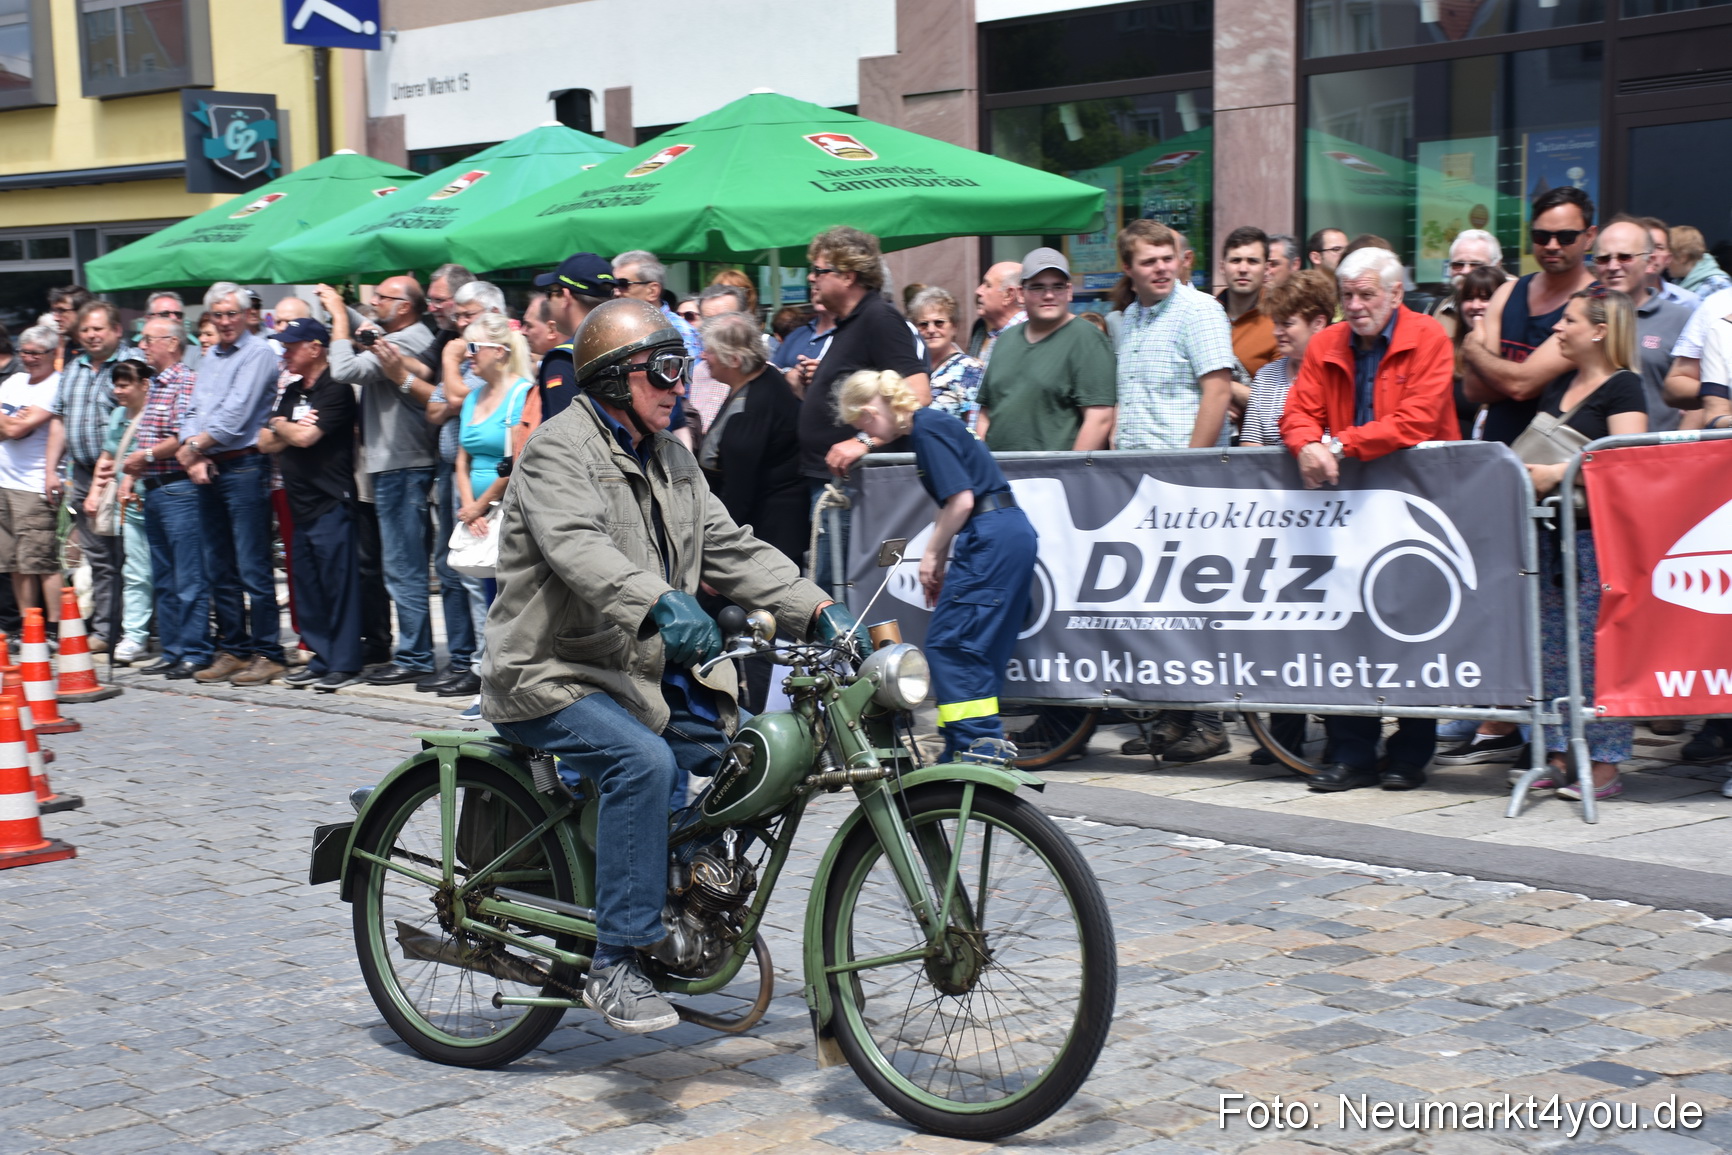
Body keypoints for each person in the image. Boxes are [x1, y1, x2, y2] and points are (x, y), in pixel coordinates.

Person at [480, 295, 850, 1032]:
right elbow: (580, 548)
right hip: (550, 671)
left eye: (683, 370)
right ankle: (616, 959)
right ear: (618, 377)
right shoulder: (559, 449)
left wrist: (820, 608)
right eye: (666, 371)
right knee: (643, 763)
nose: (680, 386)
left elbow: (733, 548)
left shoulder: (675, 458)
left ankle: (684, 886)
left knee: (748, 754)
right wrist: (658, 602)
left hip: (634, 671)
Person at [1281, 247, 1457, 792]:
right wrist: (1307, 444)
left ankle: (1410, 751)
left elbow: (1416, 421)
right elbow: (1297, 411)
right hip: (1345, 505)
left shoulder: (1429, 337)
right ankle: (1352, 752)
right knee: (1342, 623)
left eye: (1366, 295)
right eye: (1347, 296)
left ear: (1396, 294)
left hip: (1418, 499)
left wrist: (1336, 442)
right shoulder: (1328, 343)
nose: (1354, 306)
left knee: (1416, 623)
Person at [841, 368, 1037, 760]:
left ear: (868, 409)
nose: (868, 432)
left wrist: (931, 553)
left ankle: (975, 748)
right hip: (1003, 531)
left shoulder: (926, 429)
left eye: (862, 422)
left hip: (989, 534)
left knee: (952, 647)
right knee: (974, 649)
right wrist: (943, 556)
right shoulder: (933, 425)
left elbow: (961, 500)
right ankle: (970, 745)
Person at [1524, 288, 1647, 802]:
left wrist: (1557, 473)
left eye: (1567, 320)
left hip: (1597, 543)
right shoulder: (1563, 385)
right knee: (1552, 651)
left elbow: (1629, 465)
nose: (1557, 328)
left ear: (1599, 330)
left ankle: (1604, 764)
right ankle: (1558, 754)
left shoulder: (1624, 389)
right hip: (1551, 542)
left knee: (1598, 653)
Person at [318, 276, 439, 686]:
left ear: (403, 306)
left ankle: (416, 656)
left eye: (382, 297)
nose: (372, 301)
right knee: (395, 565)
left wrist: (336, 315)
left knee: (403, 567)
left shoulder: (409, 341)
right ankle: (412, 652)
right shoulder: (399, 332)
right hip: (393, 465)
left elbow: (343, 368)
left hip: (403, 466)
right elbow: (363, 328)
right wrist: (338, 304)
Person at [796, 226, 930, 593]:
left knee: (839, 592)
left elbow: (917, 394)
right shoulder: (852, 323)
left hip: (855, 484)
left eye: (820, 270)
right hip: (835, 481)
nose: (812, 277)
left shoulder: (879, 318)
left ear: (847, 275)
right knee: (828, 588)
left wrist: (865, 442)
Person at [172, 283, 287, 686]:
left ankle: (268, 651)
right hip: (210, 464)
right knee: (218, 565)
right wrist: (194, 451)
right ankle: (234, 648)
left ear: (245, 315)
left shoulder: (257, 353)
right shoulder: (211, 356)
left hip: (242, 466)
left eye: (230, 314)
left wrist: (193, 448)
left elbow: (236, 417)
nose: (223, 322)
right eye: (217, 315)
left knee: (252, 566)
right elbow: (192, 409)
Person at [259, 319, 363, 693]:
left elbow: (304, 437)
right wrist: (283, 424)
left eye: (291, 345)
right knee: (307, 587)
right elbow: (264, 441)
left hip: (330, 500)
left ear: (315, 347)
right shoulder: (291, 390)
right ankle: (321, 657)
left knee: (339, 587)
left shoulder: (335, 388)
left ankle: (345, 661)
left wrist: (283, 427)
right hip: (299, 503)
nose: (284, 351)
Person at [1463, 187, 1599, 444]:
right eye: (1541, 236)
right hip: (1499, 453)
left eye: (1566, 237)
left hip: (1555, 464)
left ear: (1589, 236)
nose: (1552, 245)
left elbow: (1520, 386)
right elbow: (1473, 389)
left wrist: (1474, 350)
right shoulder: (1507, 291)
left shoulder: (1596, 303)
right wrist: (1515, 377)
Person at [423, 279, 507, 694]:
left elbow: (455, 396)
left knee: (489, 581)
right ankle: (471, 660)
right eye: (457, 316)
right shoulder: (471, 362)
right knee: (460, 572)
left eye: (467, 316)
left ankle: (484, 667)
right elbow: (436, 408)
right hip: (461, 482)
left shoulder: (483, 360)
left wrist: (449, 357)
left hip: (495, 495)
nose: (459, 325)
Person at [44, 300, 141, 650]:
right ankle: (105, 630)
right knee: (100, 557)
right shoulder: (74, 368)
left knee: (132, 558)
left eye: (98, 328)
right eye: (85, 329)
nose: (91, 335)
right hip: (83, 474)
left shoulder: (132, 366)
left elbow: (139, 423)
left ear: (116, 329)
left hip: (123, 475)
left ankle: (137, 631)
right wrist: (51, 470)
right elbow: (59, 421)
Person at [449, 314, 536, 698]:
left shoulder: (522, 393)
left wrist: (482, 505)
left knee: (511, 603)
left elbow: (519, 457)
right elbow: (461, 459)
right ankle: (491, 678)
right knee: (485, 601)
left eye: (473, 348)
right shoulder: (472, 397)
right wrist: (469, 507)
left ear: (499, 353)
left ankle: (511, 682)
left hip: (509, 512)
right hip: (477, 515)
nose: (468, 356)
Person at [1114, 219, 1237, 454]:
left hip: (1179, 470)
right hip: (1132, 464)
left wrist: (1189, 463)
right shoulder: (1131, 314)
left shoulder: (1199, 309)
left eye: (1168, 259)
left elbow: (1219, 392)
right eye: (1149, 262)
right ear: (1128, 268)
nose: (1161, 268)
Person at [126, 317, 206, 678]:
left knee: (187, 576)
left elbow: (180, 437)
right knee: (164, 576)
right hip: (156, 489)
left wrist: (144, 458)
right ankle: (173, 648)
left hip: (178, 488)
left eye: (149, 340)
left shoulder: (184, 381)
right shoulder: (156, 383)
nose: (143, 346)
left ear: (172, 343)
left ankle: (195, 649)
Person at [975, 248, 1115, 452]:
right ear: (1021, 294)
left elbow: (1099, 419)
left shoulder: (1087, 339)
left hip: (1052, 476)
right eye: (1038, 287)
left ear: (1069, 292)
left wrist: (1071, 472)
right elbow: (986, 412)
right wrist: (981, 462)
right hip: (999, 474)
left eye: (1057, 287)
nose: (1048, 295)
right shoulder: (1005, 339)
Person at [697, 311, 805, 566]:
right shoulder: (768, 378)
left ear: (734, 360)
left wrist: (724, 554)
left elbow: (739, 490)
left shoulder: (751, 410)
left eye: (710, 351)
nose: (703, 356)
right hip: (771, 530)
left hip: (765, 537)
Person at [1591, 217, 1693, 431]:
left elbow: (1700, 400)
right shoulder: (1579, 316)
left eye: (1624, 257)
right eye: (1602, 259)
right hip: (1585, 457)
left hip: (1653, 458)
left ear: (1650, 261)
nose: (1612, 266)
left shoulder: (1681, 320)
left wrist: (1676, 454)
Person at [86, 360, 152, 664]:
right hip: (129, 507)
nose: (118, 391)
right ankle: (135, 635)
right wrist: (95, 493)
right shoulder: (116, 415)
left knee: (165, 571)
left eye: (124, 384)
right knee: (134, 571)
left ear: (143, 385)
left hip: (157, 500)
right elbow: (107, 456)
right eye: (116, 384)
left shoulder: (154, 414)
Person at [0, 326, 63, 633]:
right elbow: (13, 426)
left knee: (40, 562)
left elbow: (14, 431)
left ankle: (54, 628)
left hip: (33, 485)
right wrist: (14, 421)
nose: (29, 358)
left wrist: (12, 423)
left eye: (37, 353)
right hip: (4, 482)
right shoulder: (14, 380)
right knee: (13, 563)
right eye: (25, 351)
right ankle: (30, 628)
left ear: (54, 353)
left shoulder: (55, 385)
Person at [518, 252, 618, 435]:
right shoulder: (632, 345)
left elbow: (564, 440)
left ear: (565, 295)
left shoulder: (564, 360)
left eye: (550, 293)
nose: (548, 302)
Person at [1240, 270, 1338, 447]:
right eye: (1275, 323)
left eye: (1287, 324)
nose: (1276, 332)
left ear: (1318, 324)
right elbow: (1250, 447)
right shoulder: (1265, 377)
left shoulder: (1341, 374)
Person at [908, 287, 983, 429]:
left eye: (939, 323)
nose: (931, 330)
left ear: (954, 327)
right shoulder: (910, 367)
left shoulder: (969, 369)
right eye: (923, 324)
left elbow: (976, 425)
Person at [1449, 266, 1508, 439]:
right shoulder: (1445, 349)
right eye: (1469, 298)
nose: (1476, 306)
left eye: (1485, 298)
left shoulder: (1515, 355)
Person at [1217, 226, 1279, 377]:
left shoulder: (1281, 319)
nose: (1243, 269)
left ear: (1266, 268)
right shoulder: (1202, 313)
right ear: (1222, 267)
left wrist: (1221, 385)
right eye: (1235, 260)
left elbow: (1281, 397)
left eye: (1252, 261)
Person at [1430, 229, 1504, 341]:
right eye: (1458, 265)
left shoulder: (1515, 308)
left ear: (1497, 266)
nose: (1465, 271)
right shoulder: (1438, 311)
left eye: (1476, 265)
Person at [968, 261, 1026, 364]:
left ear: (1008, 295)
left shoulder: (1028, 335)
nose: (978, 291)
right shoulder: (995, 333)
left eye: (988, 285)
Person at [1639, 217, 1699, 309]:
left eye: (1659, 247)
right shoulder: (1613, 299)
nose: (1652, 254)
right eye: (1645, 245)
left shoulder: (1689, 302)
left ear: (1668, 258)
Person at [1669, 225, 1731, 301]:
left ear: (1683, 257)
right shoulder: (1676, 283)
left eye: (1669, 256)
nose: (1665, 262)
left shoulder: (1718, 286)